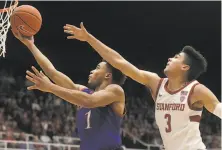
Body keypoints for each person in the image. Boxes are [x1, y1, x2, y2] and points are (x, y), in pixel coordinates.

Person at [63, 22, 222, 150]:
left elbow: (218, 108)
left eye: (176, 57)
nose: (169, 58)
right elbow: (119, 62)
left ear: (185, 67)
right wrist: (89, 38)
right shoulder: (156, 83)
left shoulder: (196, 90)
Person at [12, 30, 126, 150]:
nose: (92, 71)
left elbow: (90, 101)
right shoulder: (84, 92)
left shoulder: (116, 90)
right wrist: (31, 45)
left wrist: (50, 87)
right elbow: (52, 73)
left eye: (97, 68)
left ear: (108, 75)